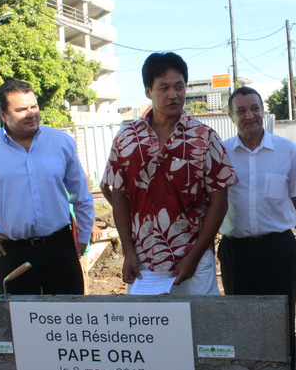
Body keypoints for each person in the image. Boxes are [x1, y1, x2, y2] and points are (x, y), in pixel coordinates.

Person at [100, 52, 237, 295]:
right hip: (143, 266)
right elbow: (119, 197)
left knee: (200, 330)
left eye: (179, 86)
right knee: (149, 332)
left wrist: (194, 257)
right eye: (163, 87)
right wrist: (128, 252)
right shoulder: (126, 139)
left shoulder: (204, 138)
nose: (173, 94)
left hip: (192, 265)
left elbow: (219, 202)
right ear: (147, 91)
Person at [0, 79, 93, 295]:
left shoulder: (60, 142)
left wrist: (84, 235)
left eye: (34, 106)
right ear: (3, 114)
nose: (31, 114)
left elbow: (81, 195)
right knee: (18, 322)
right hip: (10, 252)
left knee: (68, 318)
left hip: (59, 248)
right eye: (21, 109)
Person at [217, 86, 296, 370]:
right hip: (235, 251)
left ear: (263, 110)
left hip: (277, 249)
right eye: (241, 110)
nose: (249, 115)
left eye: (254, 108)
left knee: (281, 319)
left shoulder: (287, 150)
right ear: (231, 116)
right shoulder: (221, 152)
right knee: (241, 320)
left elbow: (295, 197)